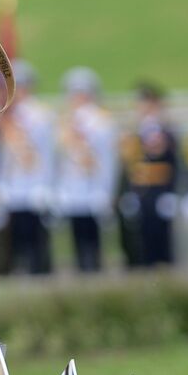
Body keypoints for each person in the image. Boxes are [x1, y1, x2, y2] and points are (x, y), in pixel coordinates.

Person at [0, 61, 55, 275]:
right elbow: (0, 155)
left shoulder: (41, 116)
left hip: (34, 183)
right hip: (12, 184)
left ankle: (40, 270)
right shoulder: (6, 116)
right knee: (15, 236)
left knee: (36, 236)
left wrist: (47, 184)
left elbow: (47, 154)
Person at [54, 66, 117, 272]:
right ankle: (82, 270)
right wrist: (58, 188)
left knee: (93, 236)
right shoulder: (65, 121)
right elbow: (60, 158)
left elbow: (108, 160)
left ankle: (95, 270)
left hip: (93, 184)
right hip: (72, 187)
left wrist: (106, 190)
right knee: (76, 234)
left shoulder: (102, 122)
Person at [119, 81, 180, 266]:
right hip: (141, 192)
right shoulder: (134, 132)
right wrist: (129, 192)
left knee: (162, 238)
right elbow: (130, 166)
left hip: (160, 190)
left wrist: (172, 192)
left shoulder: (166, 131)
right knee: (141, 240)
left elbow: (175, 164)